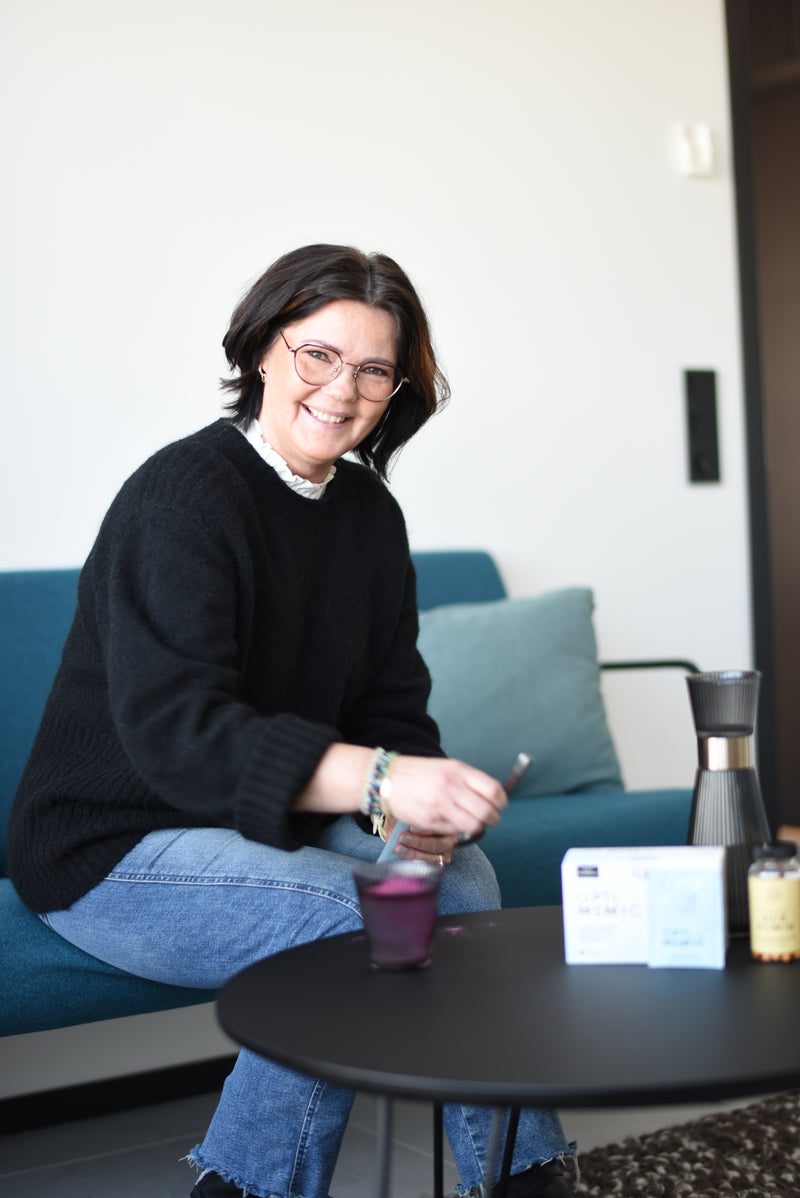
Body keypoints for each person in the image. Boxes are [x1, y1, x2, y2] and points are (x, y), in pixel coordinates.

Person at [8, 244, 576, 1198]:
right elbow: (181, 734)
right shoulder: (183, 495)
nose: (341, 390)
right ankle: (247, 1187)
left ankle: (522, 1173)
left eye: (374, 370)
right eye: (319, 354)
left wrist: (411, 815)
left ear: (395, 392)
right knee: (354, 920)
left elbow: (390, 709)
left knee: (460, 880)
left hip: (266, 825)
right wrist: (383, 780)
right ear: (265, 350)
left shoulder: (369, 517)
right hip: (112, 844)